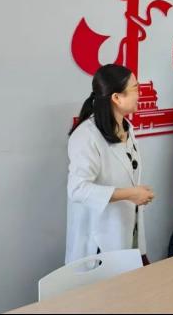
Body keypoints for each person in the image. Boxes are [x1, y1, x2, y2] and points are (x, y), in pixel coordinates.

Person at [66, 65, 154, 265]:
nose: (140, 94)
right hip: (99, 240)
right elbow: (77, 190)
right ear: (116, 97)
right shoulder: (86, 136)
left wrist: (134, 194)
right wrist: (130, 194)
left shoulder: (127, 128)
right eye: (135, 89)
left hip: (127, 231)